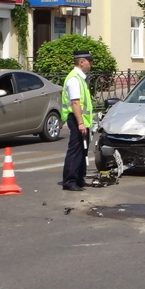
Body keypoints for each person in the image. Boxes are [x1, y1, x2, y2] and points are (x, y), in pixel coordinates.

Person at [60, 49, 93, 191]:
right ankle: (69, 181)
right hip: (76, 119)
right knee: (75, 150)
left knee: (82, 150)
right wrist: (80, 123)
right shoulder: (74, 79)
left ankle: (79, 178)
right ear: (81, 62)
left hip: (82, 120)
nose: (91, 64)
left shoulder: (80, 78)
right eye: (89, 61)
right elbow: (75, 103)